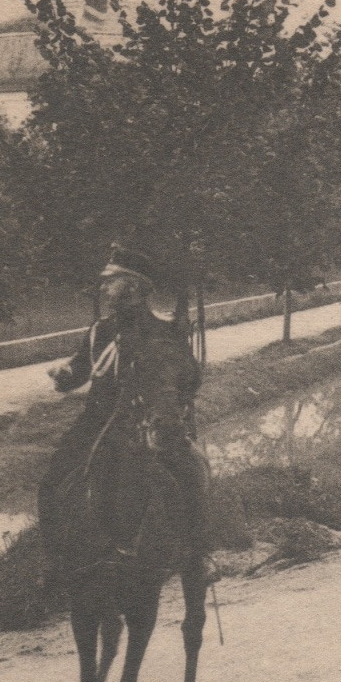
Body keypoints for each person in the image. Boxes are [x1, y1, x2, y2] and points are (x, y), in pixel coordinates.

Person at [39, 244, 209, 577]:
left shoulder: (164, 331)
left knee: (192, 471)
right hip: (97, 422)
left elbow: (190, 376)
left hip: (147, 423)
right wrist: (65, 376)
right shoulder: (99, 330)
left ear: (133, 287)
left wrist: (172, 405)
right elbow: (81, 371)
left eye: (110, 282)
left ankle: (199, 555)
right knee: (52, 481)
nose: (102, 288)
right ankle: (54, 560)